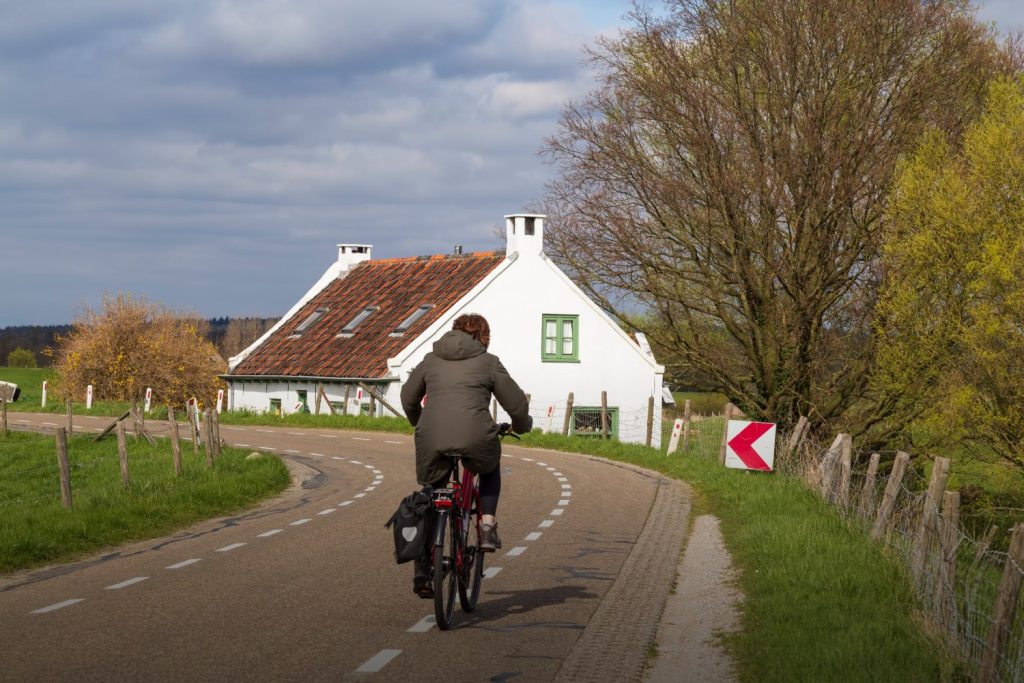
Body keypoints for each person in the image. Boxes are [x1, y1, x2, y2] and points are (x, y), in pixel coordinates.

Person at [400, 313, 532, 596]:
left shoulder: (430, 360)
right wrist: (522, 425)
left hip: (431, 437)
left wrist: (419, 422)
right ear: (483, 337)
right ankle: (486, 526)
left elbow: (407, 398)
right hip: (476, 436)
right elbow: (517, 405)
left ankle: (423, 568)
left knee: (432, 491)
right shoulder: (489, 362)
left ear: (454, 332)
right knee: (489, 467)